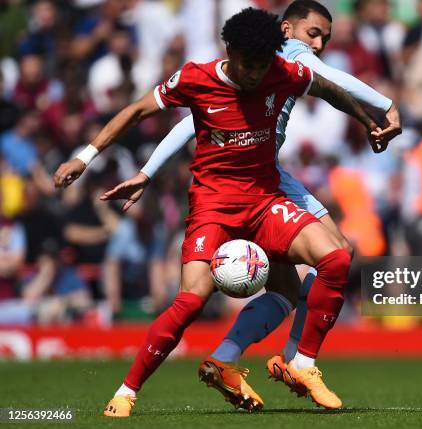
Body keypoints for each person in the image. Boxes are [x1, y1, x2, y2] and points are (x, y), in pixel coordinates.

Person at [55, 7, 392, 416]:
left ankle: (301, 362)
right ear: (229, 51)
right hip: (213, 208)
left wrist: (368, 121)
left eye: (263, 64)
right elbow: (138, 111)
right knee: (192, 298)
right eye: (249, 65)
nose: (255, 74)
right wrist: (85, 157)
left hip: (267, 202)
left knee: (337, 257)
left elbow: (325, 85)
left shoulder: (281, 72)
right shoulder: (196, 78)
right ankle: (125, 393)